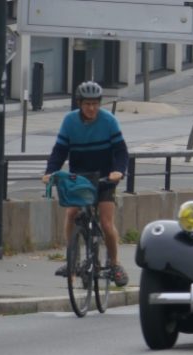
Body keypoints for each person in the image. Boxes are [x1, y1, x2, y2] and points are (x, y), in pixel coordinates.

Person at [42, 81, 130, 287]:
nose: (91, 108)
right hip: (80, 178)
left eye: (95, 104)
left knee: (106, 222)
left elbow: (121, 151)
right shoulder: (69, 121)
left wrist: (118, 171)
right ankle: (72, 260)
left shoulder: (109, 121)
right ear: (79, 103)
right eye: (87, 104)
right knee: (72, 213)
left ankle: (115, 264)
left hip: (105, 177)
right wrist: (50, 172)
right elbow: (59, 151)